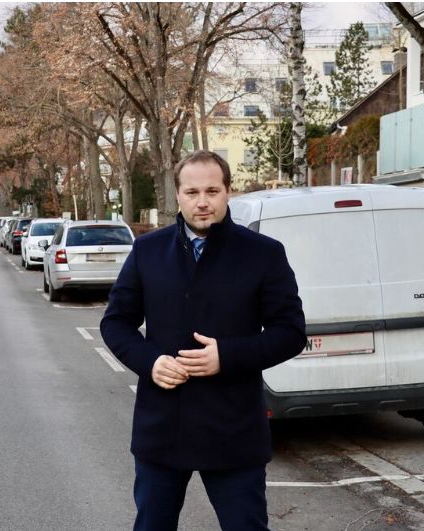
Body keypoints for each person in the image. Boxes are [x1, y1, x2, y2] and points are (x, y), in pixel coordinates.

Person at [100, 150, 306, 530]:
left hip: (233, 430)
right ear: (177, 195)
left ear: (228, 192)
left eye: (212, 190)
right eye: (192, 192)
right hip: (162, 428)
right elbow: (115, 324)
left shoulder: (263, 254)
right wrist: (151, 362)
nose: (202, 201)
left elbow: (291, 333)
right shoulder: (148, 251)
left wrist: (226, 356)